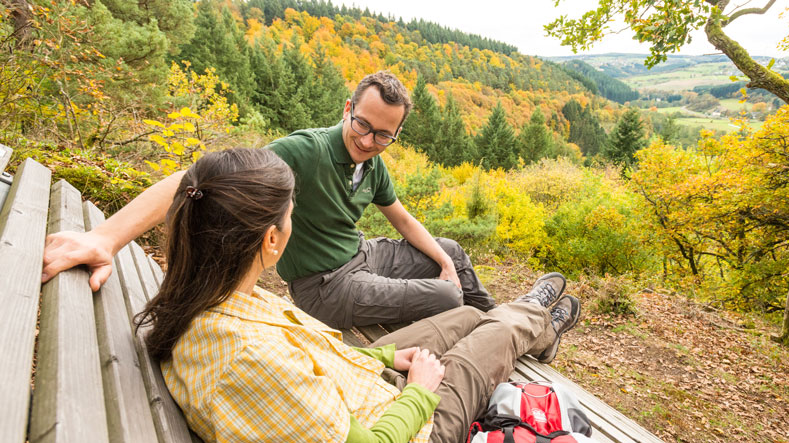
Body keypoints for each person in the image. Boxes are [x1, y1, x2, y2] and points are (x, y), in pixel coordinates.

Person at [139, 148, 581, 443]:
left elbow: (309, 363)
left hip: (355, 386)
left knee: (466, 318)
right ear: (271, 241)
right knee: (495, 332)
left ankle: (535, 327)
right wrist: (422, 391)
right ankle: (533, 317)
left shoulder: (213, 299)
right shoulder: (250, 357)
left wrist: (388, 360)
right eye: (291, 217)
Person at [41, 70, 495, 329]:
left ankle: (493, 322)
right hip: (325, 286)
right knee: (445, 298)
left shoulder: (373, 163)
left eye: (384, 135)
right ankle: (472, 333)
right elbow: (201, 175)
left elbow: (403, 219)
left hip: (361, 258)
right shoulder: (306, 150)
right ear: (346, 110)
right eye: (362, 124)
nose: (369, 140)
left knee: (449, 253)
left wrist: (443, 258)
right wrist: (105, 237)